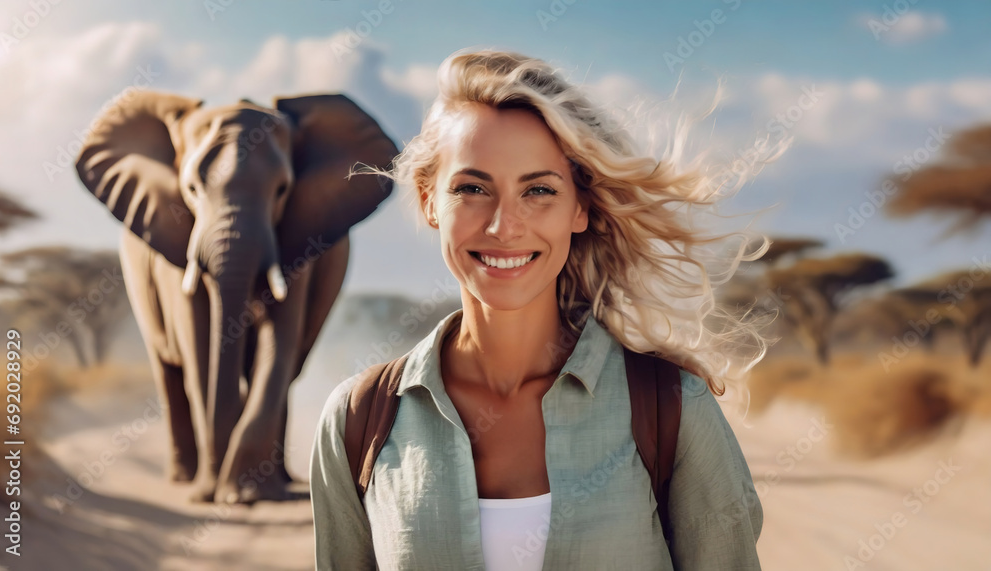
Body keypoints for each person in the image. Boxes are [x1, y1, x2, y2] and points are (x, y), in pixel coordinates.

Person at [310, 47, 770, 570]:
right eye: (472, 187)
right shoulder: (357, 422)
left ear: (580, 208)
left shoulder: (673, 409)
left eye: (539, 191)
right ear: (428, 200)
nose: (504, 226)